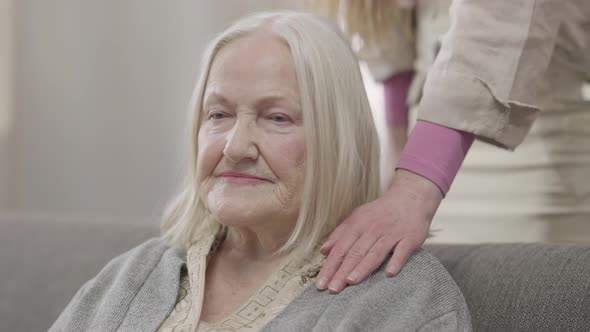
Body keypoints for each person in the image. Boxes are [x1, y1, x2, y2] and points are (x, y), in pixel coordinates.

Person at [50, 11, 472, 332]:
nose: (235, 147)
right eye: (218, 114)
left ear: (339, 140)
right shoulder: (131, 275)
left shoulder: (407, 299)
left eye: (277, 118)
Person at [304, 0, 590, 294]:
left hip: (532, 152)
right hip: (423, 156)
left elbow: (499, 22)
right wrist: (396, 146)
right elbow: (390, 28)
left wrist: (414, 190)